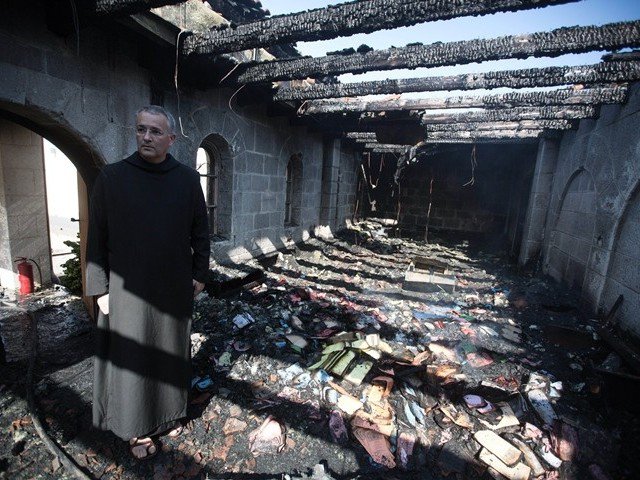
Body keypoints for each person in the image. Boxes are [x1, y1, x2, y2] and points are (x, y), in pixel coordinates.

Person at [86, 105, 210, 459]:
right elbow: (96, 239)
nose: (146, 137)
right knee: (133, 360)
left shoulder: (186, 179)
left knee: (170, 352)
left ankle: (167, 414)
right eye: (141, 130)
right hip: (126, 292)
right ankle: (135, 430)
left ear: (171, 139)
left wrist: (200, 274)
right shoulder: (111, 178)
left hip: (173, 288)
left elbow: (200, 230)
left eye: (155, 132)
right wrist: (100, 288)